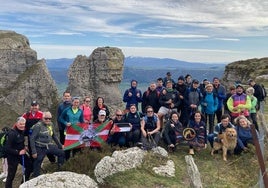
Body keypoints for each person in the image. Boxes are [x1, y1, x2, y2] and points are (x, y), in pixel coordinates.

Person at [30, 111, 65, 177]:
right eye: (46, 118)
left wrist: (60, 145)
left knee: (62, 153)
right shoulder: (38, 126)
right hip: (40, 147)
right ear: (42, 118)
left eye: (49, 118)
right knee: (38, 161)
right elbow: (32, 139)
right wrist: (34, 151)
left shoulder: (51, 124)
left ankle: (60, 171)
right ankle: (35, 176)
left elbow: (54, 136)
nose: (48, 120)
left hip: (49, 145)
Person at [5, 117, 33, 188]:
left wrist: (24, 147)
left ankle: (23, 183)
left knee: (30, 166)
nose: (22, 126)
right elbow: (7, 148)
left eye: (23, 124)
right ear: (16, 124)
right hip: (12, 156)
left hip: (21, 154)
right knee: (11, 175)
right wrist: (18, 152)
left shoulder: (22, 131)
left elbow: (21, 142)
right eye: (20, 124)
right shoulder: (12, 134)